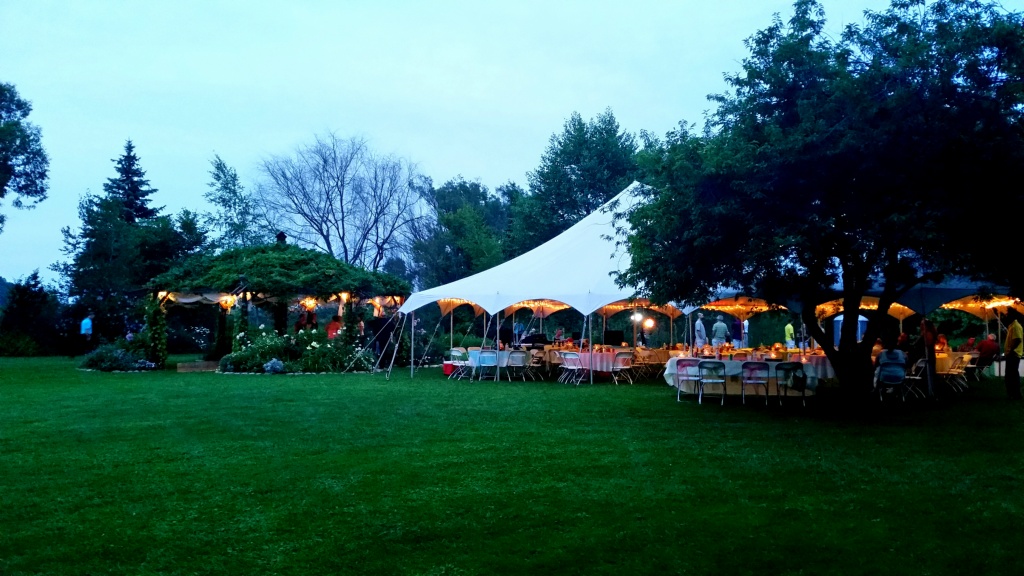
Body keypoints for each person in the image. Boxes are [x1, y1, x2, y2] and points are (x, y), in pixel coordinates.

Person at [1004, 310, 1022, 400]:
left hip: (1014, 354)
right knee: (1010, 375)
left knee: (1012, 375)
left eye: (1007, 314)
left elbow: (1018, 339)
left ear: (1012, 316)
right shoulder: (1011, 326)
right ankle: (1012, 394)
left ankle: (1015, 394)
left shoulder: (1016, 326)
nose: (1006, 316)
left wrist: (1011, 351)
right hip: (1011, 354)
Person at [920, 318, 938, 398]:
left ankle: (930, 390)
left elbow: (927, 345)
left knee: (929, 373)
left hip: (928, 356)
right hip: (928, 355)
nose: (920, 326)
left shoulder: (928, 334)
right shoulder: (925, 333)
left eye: (922, 324)